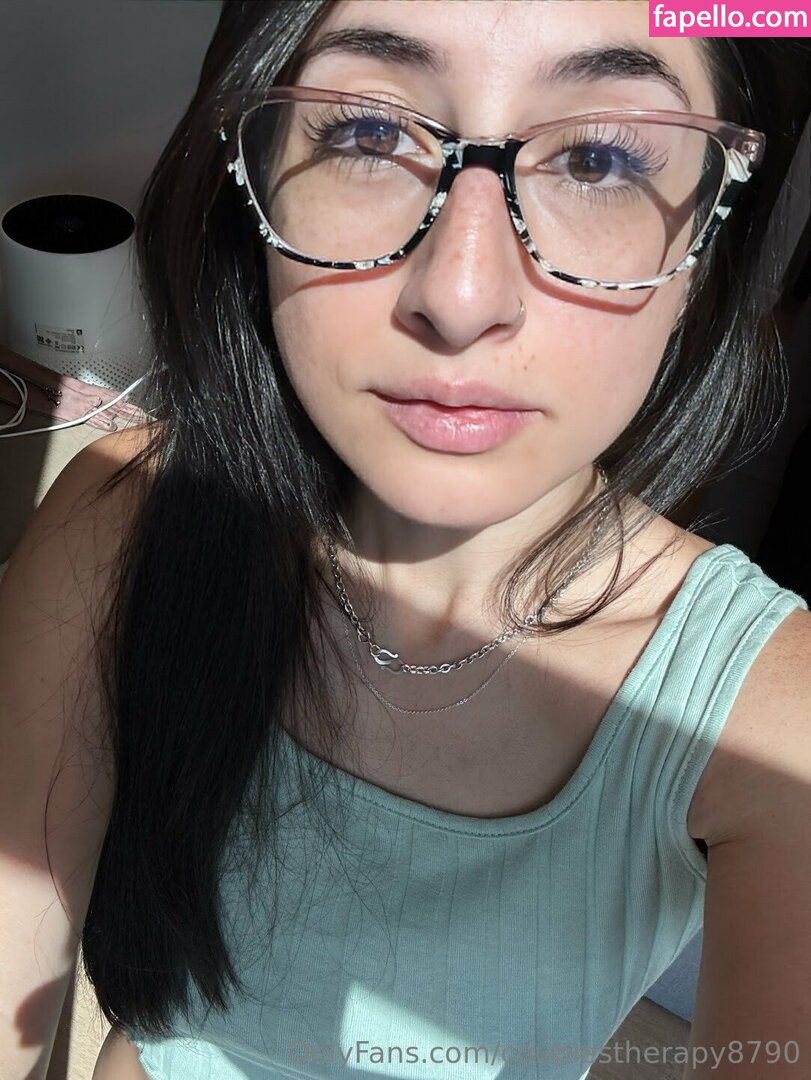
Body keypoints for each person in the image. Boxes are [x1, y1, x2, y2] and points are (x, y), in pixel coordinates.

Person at [1, 3, 809, 1079]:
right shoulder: (124, 519)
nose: (460, 297)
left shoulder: (765, 713)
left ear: (706, 236)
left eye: (600, 157)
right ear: (252, 180)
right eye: (368, 133)